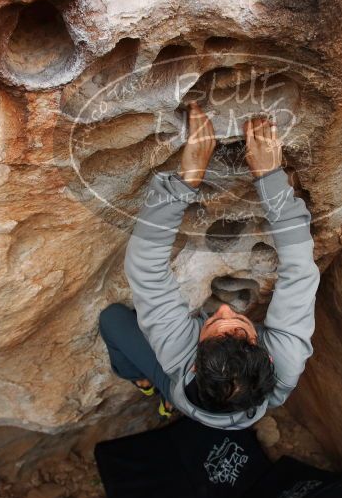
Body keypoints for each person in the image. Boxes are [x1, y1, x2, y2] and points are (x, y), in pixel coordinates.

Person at [99, 102, 320, 429]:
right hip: (244, 398)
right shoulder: (285, 362)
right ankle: (151, 386)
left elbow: (145, 268)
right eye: (239, 326)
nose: (226, 311)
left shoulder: (179, 356)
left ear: (194, 363)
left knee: (113, 320)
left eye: (213, 324)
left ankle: (143, 380)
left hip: (179, 389)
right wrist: (271, 180)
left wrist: (186, 181)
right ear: (266, 356)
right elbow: (300, 268)